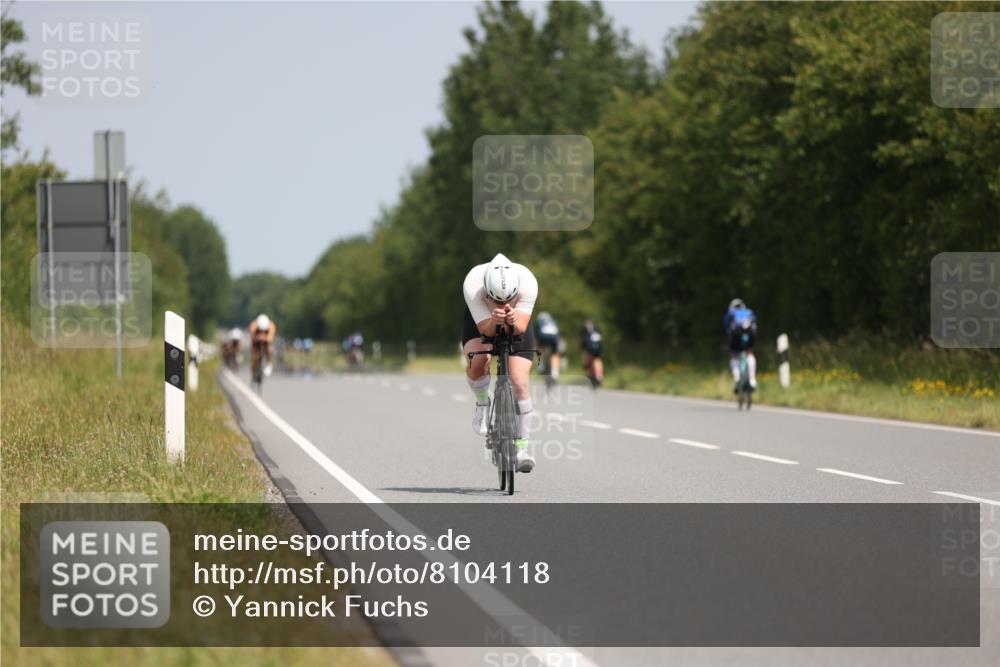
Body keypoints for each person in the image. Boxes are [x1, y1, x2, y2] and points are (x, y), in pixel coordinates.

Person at [463, 252, 538, 473]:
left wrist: (512, 320)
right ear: (486, 290)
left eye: (507, 299)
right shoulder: (473, 283)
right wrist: (494, 320)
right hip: (481, 319)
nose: (503, 303)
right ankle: (482, 403)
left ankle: (522, 448)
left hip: (518, 318)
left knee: (519, 381)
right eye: (496, 298)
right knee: (479, 362)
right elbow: (485, 330)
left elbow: (521, 328)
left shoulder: (528, 282)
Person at [723, 298, 758, 392]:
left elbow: (726, 326)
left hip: (735, 336)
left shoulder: (730, 312)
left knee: (734, 357)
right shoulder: (749, 312)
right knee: (750, 354)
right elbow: (755, 323)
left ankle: (737, 378)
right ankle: (752, 379)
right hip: (749, 334)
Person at [533, 311, 561, 384]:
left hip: (543, 337)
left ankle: (541, 366)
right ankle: (555, 373)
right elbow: (558, 332)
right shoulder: (553, 321)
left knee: (539, 347)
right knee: (555, 354)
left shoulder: (538, 321)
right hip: (554, 337)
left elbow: (535, 335)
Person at [249, 313, 277, 381]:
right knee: (254, 356)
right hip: (256, 342)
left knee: (269, 349)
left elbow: (271, 337)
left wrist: (264, 338)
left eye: (264, 330)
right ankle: (253, 372)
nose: (262, 331)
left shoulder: (271, 326)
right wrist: (257, 338)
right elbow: (252, 336)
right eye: (260, 330)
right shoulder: (253, 325)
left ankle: (268, 363)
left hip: (266, 342)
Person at [580, 318, 604, 388]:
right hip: (597, 349)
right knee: (597, 361)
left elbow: (583, 342)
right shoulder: (597, 329)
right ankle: (599, 376)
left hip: (589, 349)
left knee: (589, 362)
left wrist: (582, 350)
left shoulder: (585, 330)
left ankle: (591, 377)